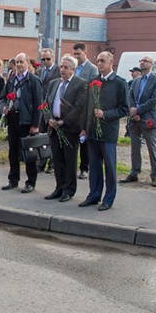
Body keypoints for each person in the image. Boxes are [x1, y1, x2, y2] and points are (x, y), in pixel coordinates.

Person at [78, 52, 129, 211]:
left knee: (110, 167)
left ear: (111, 62)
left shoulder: (119, 83)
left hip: (108, 132)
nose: (99, 64)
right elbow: (87, 108)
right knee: (94, 165)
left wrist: (106, 114)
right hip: (92, 132)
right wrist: (84, 129)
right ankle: (94, 195)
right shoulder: (93, 82)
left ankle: (109, 198)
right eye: (98, 61)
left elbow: (124, 109)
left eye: (102, 61)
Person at [43, 55, 86, 202]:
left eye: (66, 67)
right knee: (57, 158)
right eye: (61, 66)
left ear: (73, 69)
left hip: (69, 128)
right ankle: (59, 187)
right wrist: (48, 118)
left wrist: (64, 121)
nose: (62, 70)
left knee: (69, 159)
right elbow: (46, 102)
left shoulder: (80, 84)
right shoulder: (54, 83)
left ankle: (69, 189)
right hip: (53, 127)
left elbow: (79, 107)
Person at [1, 53, 43, 193]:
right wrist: (4, 107)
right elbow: (3, 97)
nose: (19, 65)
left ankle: (31, 181)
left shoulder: (33, 80)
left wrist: (35, 125)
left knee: (28, 152)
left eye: (21, 62)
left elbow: (38, 104)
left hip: (27, 120)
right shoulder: (12, 79)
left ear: (27, 63)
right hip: (13, 119)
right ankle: (13, 179)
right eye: (17, 62)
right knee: (13, 151)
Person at [121, 54, 156, 187]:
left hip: (148, 118)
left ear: (152, 64)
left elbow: (153, 100)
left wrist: (138, 110)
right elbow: (130, 96)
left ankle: (155, 175)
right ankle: (134, 172)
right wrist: (133, 111)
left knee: (152, 148)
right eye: (141, 61)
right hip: (134, 119)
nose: (142, 63)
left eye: (145, 61)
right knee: (135, 147)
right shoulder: (136, 81)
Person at [71, 43, 98, 180]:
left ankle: (84, 167)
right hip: (71, 110)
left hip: (84, 110)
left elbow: (92, 90)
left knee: (84, 142)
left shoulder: (92, 69)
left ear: (85, 53)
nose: (76, 56)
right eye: (74, 54)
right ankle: (71, 166)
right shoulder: (72, 68)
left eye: (78, 54)